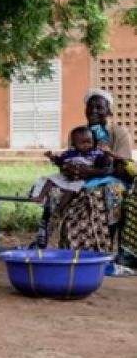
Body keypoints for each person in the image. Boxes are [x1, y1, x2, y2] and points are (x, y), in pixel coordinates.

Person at [35, 90, 133, 252]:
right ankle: (56, 241)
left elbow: (123, 167)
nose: (93, 111)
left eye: (99, 107)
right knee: (55, 192)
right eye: (90, 107)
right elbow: (69, 159)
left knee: (100, 194)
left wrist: (92, 171)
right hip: (80, 179)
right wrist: (69, 169)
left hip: (112, 179)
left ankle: (98, 248)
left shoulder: (118, 133)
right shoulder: (78, 132)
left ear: (109, 111)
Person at [30, 127, 110, 202]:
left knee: (71, 190)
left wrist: (106, 154)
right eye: (82, 143)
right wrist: (52, 157)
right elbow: (60, 162)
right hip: (65, 175)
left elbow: (102, 164)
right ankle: (40, 196)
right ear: (74, 144)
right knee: (50, 180)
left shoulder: (96, 153)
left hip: (80, 178)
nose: (86, 145)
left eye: (89, 142)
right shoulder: (69, 153)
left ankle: (60, 208)